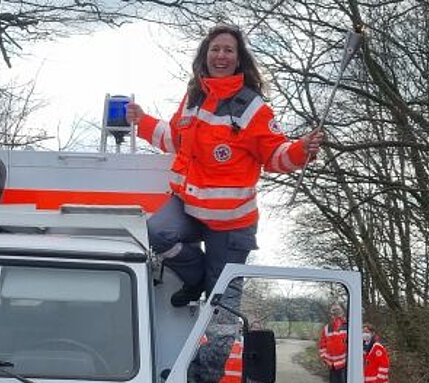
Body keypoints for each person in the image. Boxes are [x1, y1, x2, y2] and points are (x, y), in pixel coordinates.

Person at [126, 24, 324, 307]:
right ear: (205, 56)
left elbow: (275, 155)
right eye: (215, 49)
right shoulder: (193, 97)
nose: (221, 55)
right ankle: (198, 278)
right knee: (155, 233)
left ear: (238, 58)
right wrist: (143, 121)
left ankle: (213, 345)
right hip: (188, 205)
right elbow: (175, 139)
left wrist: (301, 149)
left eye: (228, 50)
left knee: (222, 306)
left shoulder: (254, 108)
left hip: (230, 224)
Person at [318, 303, 348, 383]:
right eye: (334, 310)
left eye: (338, 310)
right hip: (332, 366)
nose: (336, 312)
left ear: (343, 311)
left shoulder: (349, 325)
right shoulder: (327, 328)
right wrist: (325, 358)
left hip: (345, 365)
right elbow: (322, 345)